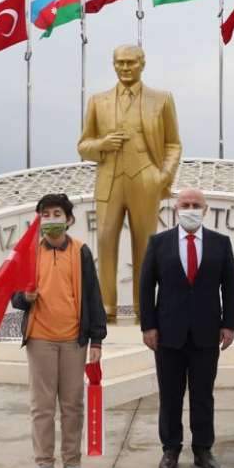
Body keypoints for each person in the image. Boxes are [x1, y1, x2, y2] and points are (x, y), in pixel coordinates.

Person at [77, 44, 183, 320]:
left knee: (146, 246)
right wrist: (101, 144)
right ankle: (105, 310)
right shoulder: (98, 101)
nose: (125, 68)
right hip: (109, 180)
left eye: (130, 63)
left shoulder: (161, 100)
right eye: (120, 63)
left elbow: (173, 144)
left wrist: (163, 176)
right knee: (104, 239)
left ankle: (143, 309)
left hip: (145, 178)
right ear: (113, 65)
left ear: (142, 64)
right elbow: (83, 146)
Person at [139, 187, 234, 468]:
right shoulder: (159, 243)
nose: (191, 208)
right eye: (186, 204)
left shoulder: (221, 243)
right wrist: (148, 326)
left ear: (205, 210)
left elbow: (230, 287)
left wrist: (229, 324)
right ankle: (170, 448)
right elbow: (146, 287)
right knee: (170, 395)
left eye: (197, 204)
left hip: (207, 333)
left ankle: (203, 449)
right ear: (175, 208)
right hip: (167, 334)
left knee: (203, 395)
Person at [9, 194, 107, 468]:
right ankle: (43, 464)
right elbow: (14, 297)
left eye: (57, 213)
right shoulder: (28, 252)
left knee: (73, 405)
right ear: (39, 219)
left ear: (69, 219)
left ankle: (72, 462)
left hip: (73, 340)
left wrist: (97, 339)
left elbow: (93, 296)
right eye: (46, 214)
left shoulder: (81, 252)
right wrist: (24, 298)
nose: (51, 219)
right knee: (42, 406)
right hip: (40, 339)